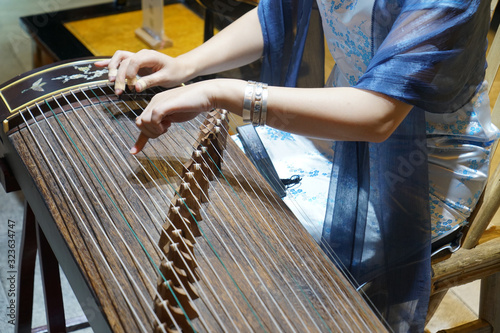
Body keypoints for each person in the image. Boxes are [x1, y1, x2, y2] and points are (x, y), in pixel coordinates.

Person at [96, 0, 499, 331]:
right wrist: (185, 65)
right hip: (339, 121)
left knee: (251, 242)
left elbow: (378, 116)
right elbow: (279, 11)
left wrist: (221, 91)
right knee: (212, 196)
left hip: (421, 163)